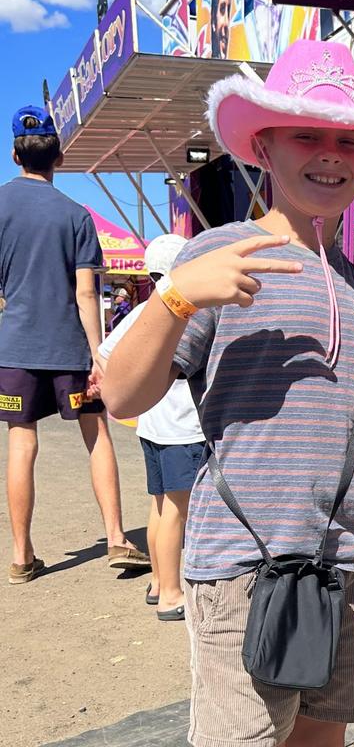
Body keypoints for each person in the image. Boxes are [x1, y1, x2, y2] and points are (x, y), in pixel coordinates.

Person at [103, 40, 354, 747]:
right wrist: (175, 300)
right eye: (307, 134)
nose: (330, 152)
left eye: (348, 138)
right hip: (242, 564)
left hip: (348, 564)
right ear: (265, 144)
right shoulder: (217, 255)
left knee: (321, 738)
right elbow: (122, 396)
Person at [0, 105, 149, 585]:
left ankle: (22, 555)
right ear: (58, 157)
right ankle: (115, 539)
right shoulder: (75, 215)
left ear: (14, 154)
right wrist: (98, 353)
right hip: (69, 350)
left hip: (15, 350)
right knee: (96, 434)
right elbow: (87, 293)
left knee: (21, 442)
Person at [98, 235, 201, 621]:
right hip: (181, 430)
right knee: (177, 511)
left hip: (152, 427)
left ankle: (159, 581)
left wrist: (142, 389)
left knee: (160, 507)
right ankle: (173, 593)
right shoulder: (185, 311)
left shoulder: (146, 308)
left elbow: (107, 354)